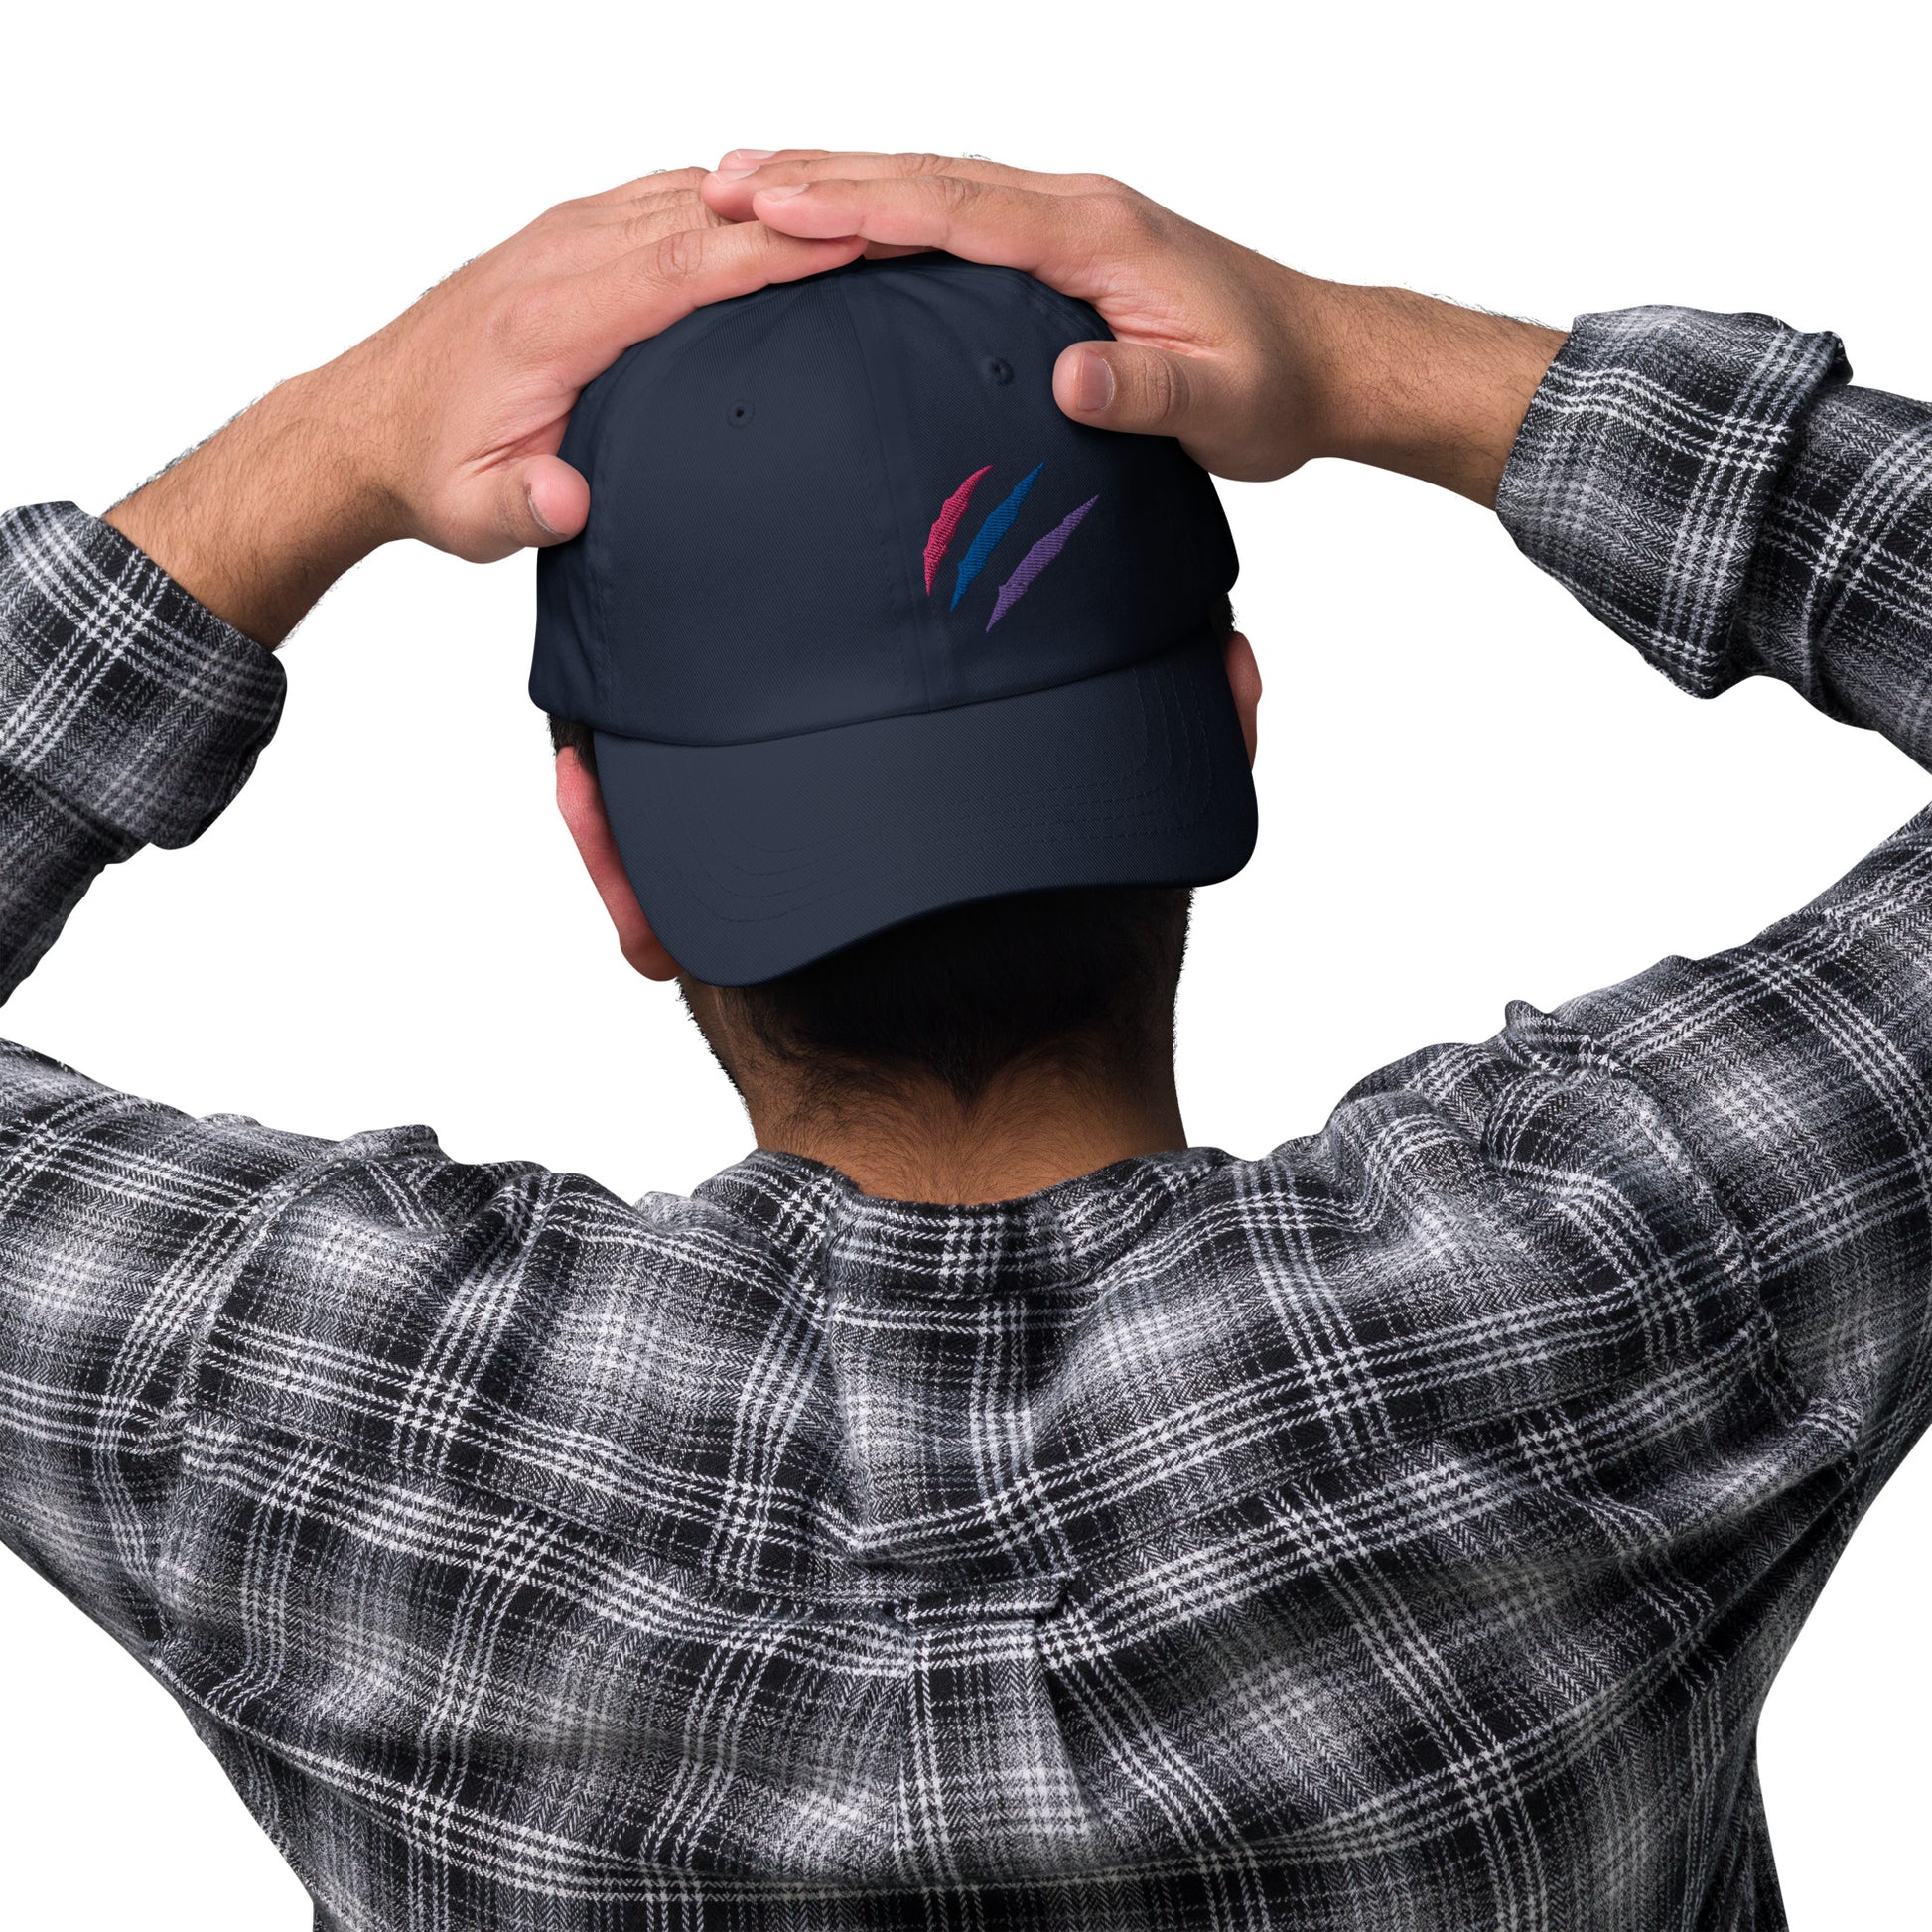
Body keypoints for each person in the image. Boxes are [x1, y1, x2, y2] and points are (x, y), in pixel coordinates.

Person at [1, 147, 1926, 1931]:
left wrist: (320, 454)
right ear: (1229, 733)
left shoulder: (310, 1423)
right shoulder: (1607, 1297)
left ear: (611, 859)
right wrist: (1366, 366)